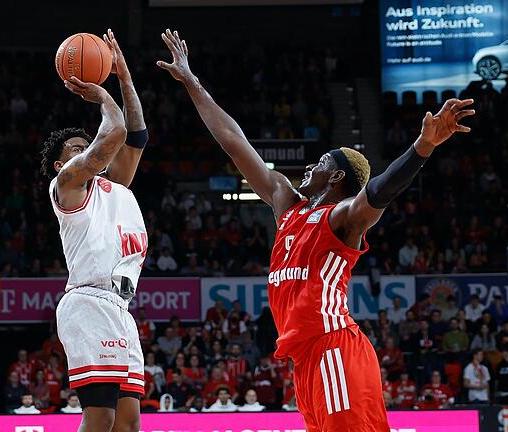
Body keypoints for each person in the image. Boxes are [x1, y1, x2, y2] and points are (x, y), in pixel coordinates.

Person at [158, 28, 473, 431]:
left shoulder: (343, 218)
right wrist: (192, 82)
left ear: (337, 176)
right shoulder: (287, 205)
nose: (310, 166)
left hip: (334, 347)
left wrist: (422, 147)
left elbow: (379, 191)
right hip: (306, 360)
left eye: (320, 162)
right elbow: (234, 141)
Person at [41, 30, 149, 432]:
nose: (83, 149)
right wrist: (102, 96)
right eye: (74, 147)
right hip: (88, 302)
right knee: (100, 416)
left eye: (84, 145)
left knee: (128, 422)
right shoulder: (66, 186)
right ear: (60, 164)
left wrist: (121, 75)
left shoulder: (115, 186)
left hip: (121, 309)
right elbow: (114, 135)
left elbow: (135, 135)